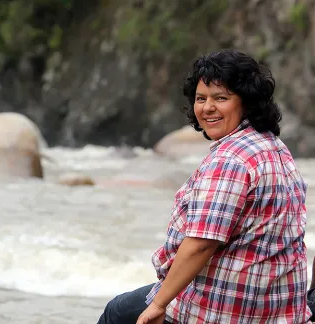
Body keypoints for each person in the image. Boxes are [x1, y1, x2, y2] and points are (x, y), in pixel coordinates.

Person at [97, 49, 313, 323]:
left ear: (246, 102)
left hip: (226, 305)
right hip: (276, 304)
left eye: (221, 98)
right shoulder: (273, 146)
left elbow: (201, 244)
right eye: (201, 99)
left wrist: (160, 303)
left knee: (118, 312)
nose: (207, 108)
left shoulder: (230, 160)